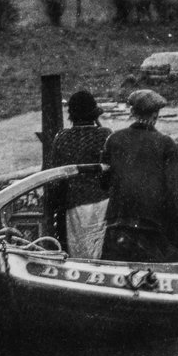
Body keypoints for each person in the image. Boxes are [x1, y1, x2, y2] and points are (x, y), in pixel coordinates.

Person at [99, 89, 178, 262]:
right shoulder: (165, 143)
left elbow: (104, 183)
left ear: (132, 112)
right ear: (156, 115)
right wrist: (175, 225)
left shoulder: (114, 139)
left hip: (117, 224)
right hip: (151, 228)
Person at [45, 90, 111, 257]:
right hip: (102, 202)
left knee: (78, 252)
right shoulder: (105, 134)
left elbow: (54, 178)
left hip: (74, 205)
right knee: (100, 250)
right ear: (94, 114)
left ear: (72, 116)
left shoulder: (62, 138)